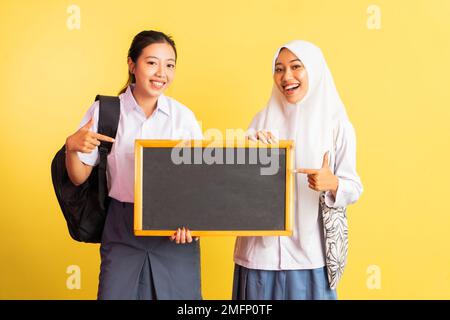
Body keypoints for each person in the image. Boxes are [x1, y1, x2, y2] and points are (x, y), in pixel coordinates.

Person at [64, 30, 203, 300]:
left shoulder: (183, 117)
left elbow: (197, 183)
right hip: (122, 227)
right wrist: (72, 147)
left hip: (173, 231)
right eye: (152, 62)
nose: (161, 72)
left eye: (170, 65)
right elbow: (79, 177)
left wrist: (191, 221)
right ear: (131, 64)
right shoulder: (106, 112)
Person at [232, 40, 363, 300]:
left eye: (296, 67)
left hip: (309, 258)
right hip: (259, 256)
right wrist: (249, 154)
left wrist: (333, 183)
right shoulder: (260, 121)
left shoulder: (337, 125)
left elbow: (354, 186)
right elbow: (236, 187)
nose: (286, 77)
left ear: (313, 70)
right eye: (279, 69)